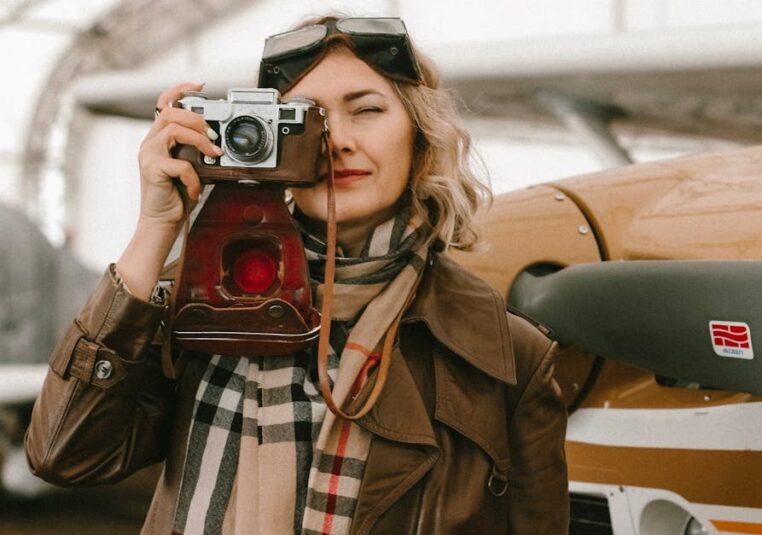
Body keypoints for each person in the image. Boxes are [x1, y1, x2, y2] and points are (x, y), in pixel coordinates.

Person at [25, 14, 568, 534]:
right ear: (262, 141)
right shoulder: (200, 301)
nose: (337, 142)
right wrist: (155, 227)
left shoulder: (507, 354)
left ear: (420, 135)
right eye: (307, 118)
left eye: (367, 110)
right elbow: (63, 454)